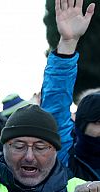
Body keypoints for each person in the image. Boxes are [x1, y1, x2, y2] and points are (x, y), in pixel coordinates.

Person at [41, 0, 98, 180]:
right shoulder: (65, 160)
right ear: (81, 125)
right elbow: (55, 110)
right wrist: (68, 43)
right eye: (97, 122)